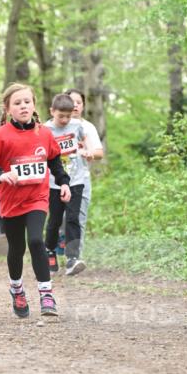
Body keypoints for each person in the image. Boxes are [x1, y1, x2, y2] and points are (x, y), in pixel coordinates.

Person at [0, 83, 71, 320]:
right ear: (8, 109)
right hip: (11, 201)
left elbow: (54, 162)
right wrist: (1, 175)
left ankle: (46, 293)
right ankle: (17, 288)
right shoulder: (0, 135)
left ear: (34, 105)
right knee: (17, 249)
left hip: (37, 198)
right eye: (17, 103)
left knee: (35, 241)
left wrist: (63, 183)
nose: (23, 106)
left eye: (27, 102)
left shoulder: (44, 133)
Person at [44, 93, 90, 276]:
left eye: (68, 116)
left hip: (76, 179)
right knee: (55, 220)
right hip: (54, 183)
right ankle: (49, 251)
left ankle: (72, 258)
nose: (64, 120)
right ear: (52, 112)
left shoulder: (77, 125)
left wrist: (86, 151)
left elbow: (83, 142)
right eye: (60, 116)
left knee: (73, 218)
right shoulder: (45, 130)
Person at [65, 88, 104, 258]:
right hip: (57, 181)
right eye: (71, 102)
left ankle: (75, 257)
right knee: (60, 219)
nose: (75, 106)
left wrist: (90, 153)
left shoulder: (88, 127)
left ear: (83, 106)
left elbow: (99, 153)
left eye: (78, 102)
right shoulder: (53, 125)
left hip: (82, 179)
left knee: (79, 218)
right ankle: (57, 245)